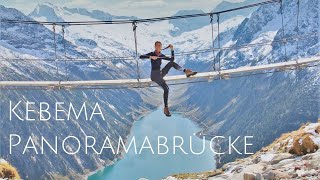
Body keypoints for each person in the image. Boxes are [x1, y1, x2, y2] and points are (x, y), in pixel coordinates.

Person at [140, 41, 197, 117]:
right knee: (166, 89)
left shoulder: (161, 55)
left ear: (161, 47)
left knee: (171, 64)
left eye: (160, 46)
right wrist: (150, 57)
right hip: (154, 76)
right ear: (154, 46)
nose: (158, 47)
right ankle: (166, 108)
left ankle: (186, 71)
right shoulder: (152, 53)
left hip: (160, 74)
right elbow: (141, 56)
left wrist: (172, 50)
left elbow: (172, 59)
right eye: (157, 46)